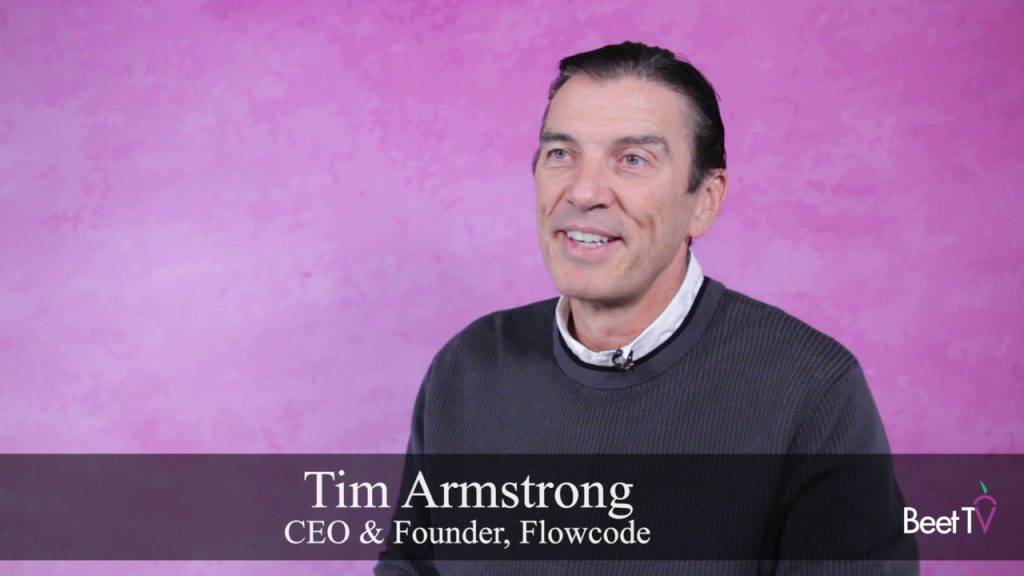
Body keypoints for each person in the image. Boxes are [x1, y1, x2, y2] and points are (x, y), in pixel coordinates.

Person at [376, 41, 917, 575]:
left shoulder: (812, 391)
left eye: (633, 159)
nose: (584, 192)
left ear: (705, 200)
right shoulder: (468, 367)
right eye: (561, 154)